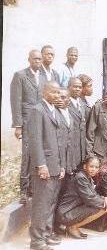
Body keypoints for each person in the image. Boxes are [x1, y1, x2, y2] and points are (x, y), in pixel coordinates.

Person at [28, 81, 64, 250]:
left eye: (59, 93)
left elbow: (59, 141)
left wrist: (62, 165)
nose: (58, 96)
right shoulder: (37, 110)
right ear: (44, 93)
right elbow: (35, 141)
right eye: (54, 92)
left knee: (50, 204)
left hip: (55, 166)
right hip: (44, 167)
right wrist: (41, 165)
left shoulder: (54, 110)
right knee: (41, 205)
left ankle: (46, 234)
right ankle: (36, 241)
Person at [10, 50, 48, 203]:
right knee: (27, 156)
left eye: (40, 59)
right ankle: (24, 191)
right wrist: (18, 126)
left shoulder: (44, 77)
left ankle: (33, 188)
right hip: (26, 122)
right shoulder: (20, 76)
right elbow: (15, 101)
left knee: (37, 154)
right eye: (35, 59)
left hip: (40, 121)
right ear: (29, 60)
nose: (38, 61)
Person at [56, 157, 107, 239]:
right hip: (66, 213)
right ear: (85, 166)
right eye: (91, 166)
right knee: (103, 207)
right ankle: (73, 227)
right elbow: (90, 198)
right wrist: (106, 202)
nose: (94, 169)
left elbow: (93, 195)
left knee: (103, 205)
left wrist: (105, 198)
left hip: (72, 210)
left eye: (96, 167)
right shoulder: (81, 177)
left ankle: (73, 226)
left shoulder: (87, 178)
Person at [68, 78, 88, 167]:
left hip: (81, 150)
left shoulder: (83, 104)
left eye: (79, 87)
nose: (77, 89)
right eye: (75, 87)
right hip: (70, 148)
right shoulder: (64, 103)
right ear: (68, 87)